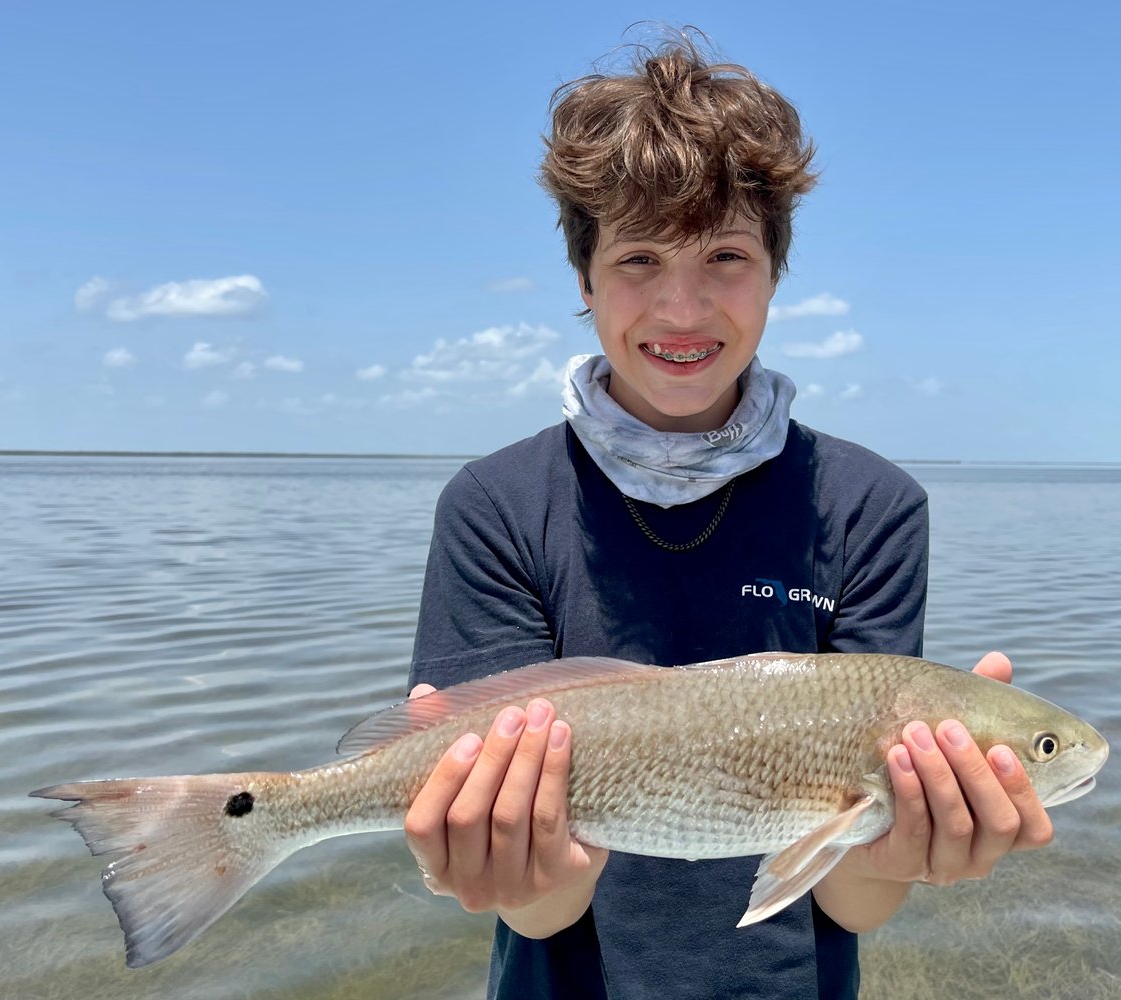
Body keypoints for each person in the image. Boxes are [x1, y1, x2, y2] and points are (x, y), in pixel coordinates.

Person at [404, 34, 1054, 1000]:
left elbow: (853, 903)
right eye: (636, 258)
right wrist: (505, 861)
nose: (682, 304)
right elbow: (533, 909)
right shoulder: (496, 506)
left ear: (776, 271)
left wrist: (918, 845)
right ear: (583, 282)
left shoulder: (871, 508)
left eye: (725, 254)